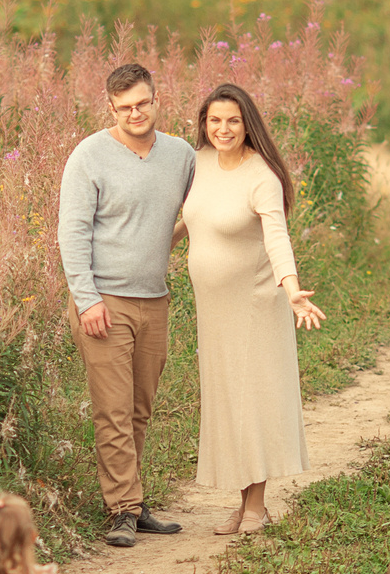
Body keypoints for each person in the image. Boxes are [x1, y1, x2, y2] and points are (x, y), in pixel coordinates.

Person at [57, 61, 198, 548]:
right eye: (123, 108)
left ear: (157, 99)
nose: (134, 113)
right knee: (113, 411)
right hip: (104, 303)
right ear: (111, 108)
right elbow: (72, 232)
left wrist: (172, 238)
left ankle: (133, 504)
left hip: (154, 301)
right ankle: (122, 509)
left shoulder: (180, 155)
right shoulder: (89, 156)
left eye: (141, 103)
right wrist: (87, 298)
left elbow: (207, 206)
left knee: (139, 410)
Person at [182, 82, 324, 535]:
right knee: (228, 400)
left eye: (233, 120)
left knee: (254, 400)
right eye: (215, 120)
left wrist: (292, 287)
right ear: (205, 123)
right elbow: (185, 220)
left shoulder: (261, 175)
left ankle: (256, 507)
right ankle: (243, 502)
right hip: (214, 309)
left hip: (255, 304)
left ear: (248, 125)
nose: (223, 129)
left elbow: (276, 236)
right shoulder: (198, 162)